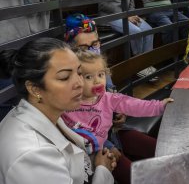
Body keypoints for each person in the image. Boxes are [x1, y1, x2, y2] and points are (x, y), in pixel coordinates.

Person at [0, 38, 115, 183]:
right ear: (35, 88)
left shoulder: (49, 111)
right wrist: (102, 170)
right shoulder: (32, 156)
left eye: (79, 73)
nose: (79, 83)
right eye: (64, 77)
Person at [62, 50, 173, 184]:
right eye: (88, 77)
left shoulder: (108, 98)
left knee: (135, 175)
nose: (97, 81)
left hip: (104, 150)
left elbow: (134, 104)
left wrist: (160, 106)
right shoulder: (67, 104)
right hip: (81, 161)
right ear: (77, 80)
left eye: (101, 74)